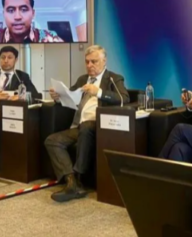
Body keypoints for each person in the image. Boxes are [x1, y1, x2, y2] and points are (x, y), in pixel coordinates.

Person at [45, 45, 129, 202]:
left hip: (100, 126)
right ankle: (72, 182)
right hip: (79, 125)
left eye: (94, 62)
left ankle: (79, 176)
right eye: (87, 62)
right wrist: (58, 97)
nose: (90, 65)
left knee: (86, 126)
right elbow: (69, 96)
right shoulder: (82, 79)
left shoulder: (114, 78)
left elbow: (124, 99)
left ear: (104, 61)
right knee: (52, 140)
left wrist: (98, 92)